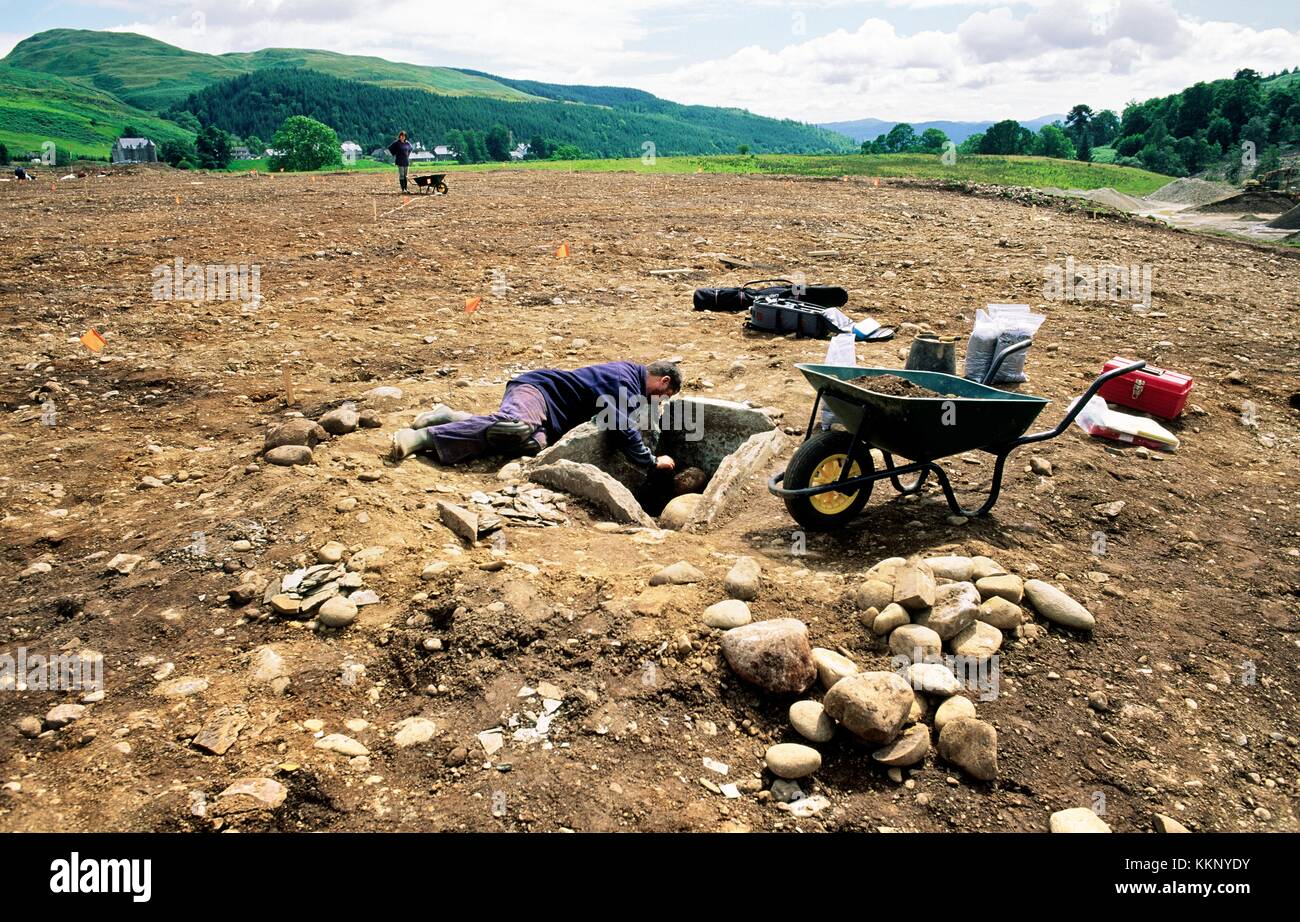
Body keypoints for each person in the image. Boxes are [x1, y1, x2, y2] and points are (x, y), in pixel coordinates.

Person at [390, 360, 681, 471]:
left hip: (551, 420)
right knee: (514, 427)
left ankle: (451, 417)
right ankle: (422, 437)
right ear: (663, 382)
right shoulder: (624, 379)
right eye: (664, 397)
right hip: (538, 391)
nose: (659, 402)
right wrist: (651, 461)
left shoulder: (631, 387)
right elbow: (621, 425)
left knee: (530, 446)